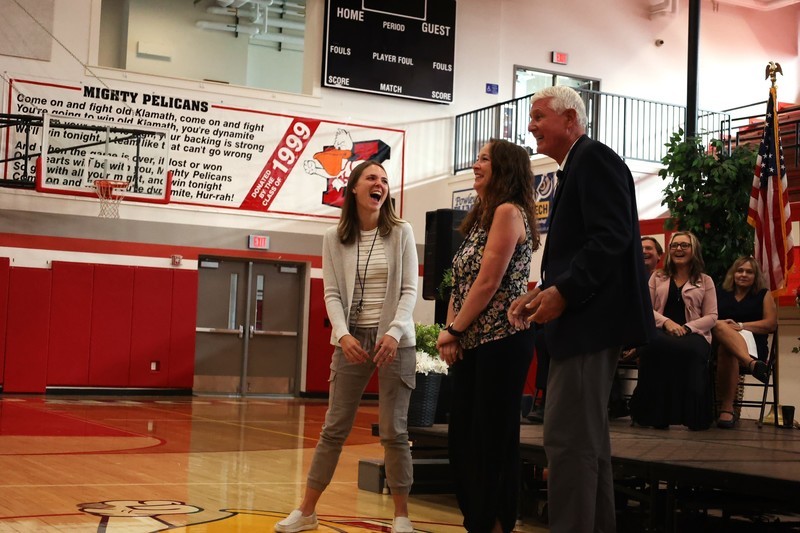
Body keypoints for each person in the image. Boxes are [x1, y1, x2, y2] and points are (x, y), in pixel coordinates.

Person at [508, 86, 653, 533]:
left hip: (589, 324)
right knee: (586, 444)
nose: (531, 125)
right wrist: (543, 291)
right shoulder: (579, 165)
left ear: (570, 119)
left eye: (539, 116)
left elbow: (611, 237)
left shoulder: (593, 159)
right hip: (585, 322)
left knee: (567, 441)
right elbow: (588, 247)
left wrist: (565, 292)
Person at [275, 160, 418, 533]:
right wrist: (342, 334)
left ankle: (401, 516)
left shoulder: (401, 231)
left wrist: (394, 332)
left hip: (394, 341)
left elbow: (409, 290)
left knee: (394, 431)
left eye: (384, 180)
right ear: (354, 187)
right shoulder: (333, 237)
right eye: (371, 177)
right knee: (334, 427)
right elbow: (332, 294)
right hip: (351, 339)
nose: (379, 183)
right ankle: (306, 511)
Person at [435, 138, 540, 533]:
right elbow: (460, 282)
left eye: (484, 159)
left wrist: (455, 329)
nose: (475, 165)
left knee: (492, 439)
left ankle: (495, 522)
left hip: (502, 341)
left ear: (505, 168)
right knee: (463, 437)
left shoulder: (509, 212)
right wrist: (452, 332)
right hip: (473, 341)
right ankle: (476, 521)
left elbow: (489, 281)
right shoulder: (482, 216)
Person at [630, 231, 717, 431]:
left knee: (692, 350)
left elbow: (712, 316)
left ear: (694, 250)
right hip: (661, 331)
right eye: (675, 245)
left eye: (684, 245)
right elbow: (646, 308)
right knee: (652, 346)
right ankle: (655, 416)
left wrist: (687, 327)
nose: (679, 249)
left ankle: (694, 417)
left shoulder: (705, 280)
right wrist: (667, 322)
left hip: (694, 334)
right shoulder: (657, 277)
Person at [713, 256, 776, 428]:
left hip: (753, 345)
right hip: (722, 345)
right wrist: (725, 327)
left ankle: (727, 409)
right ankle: (752, 365)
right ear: (733, 273)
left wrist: (740, 326)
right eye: (740, 271)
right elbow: (709, 318)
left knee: (726, 346)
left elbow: (771, 324)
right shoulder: (720, 292)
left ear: (756, 276)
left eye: (749, 272)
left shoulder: (763, 294)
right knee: (719, 327)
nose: (743, 275)